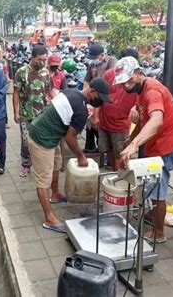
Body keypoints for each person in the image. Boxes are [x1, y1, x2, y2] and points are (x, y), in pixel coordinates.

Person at [28, 78, 110, 232]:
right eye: (100, 98)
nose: (101, 102)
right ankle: (49, 218)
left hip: (49, 135)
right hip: (41, 139)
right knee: (43, 179)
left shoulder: (72, 92)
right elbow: (70, 137)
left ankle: (56, 195)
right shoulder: (81, 109)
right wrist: (81, 156)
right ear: (92, 92)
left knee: (57, 165)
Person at [116, 56, 173, 243]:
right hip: (154, 145)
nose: (126, 86)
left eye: (129, 80)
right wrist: (131, 138)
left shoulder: (152, 91)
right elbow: (144, 120)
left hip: (166, 146)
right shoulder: (140, 90)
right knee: (150, 187)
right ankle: (152, 214)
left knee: (157, 191)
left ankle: (159, 233)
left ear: (139, 73)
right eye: (123, 83)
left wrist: (133, 145)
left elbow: (155, 121)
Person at [92, 48, 139, 170]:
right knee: (107, 150)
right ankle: (114, 172)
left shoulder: (137, 80)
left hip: (121, 124)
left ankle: (121, 176)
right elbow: (99, 96)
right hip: (105, 121)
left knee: (122, 153)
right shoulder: (109, 74)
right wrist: (96, 116)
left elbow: (141, 99)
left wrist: (135, 107)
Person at [13, 45, 54, 178]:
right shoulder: (21, 72)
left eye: (44, 60)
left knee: (40, 140)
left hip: (42, 114)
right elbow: (16, 93)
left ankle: (39, 163)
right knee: (25, 141)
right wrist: (16, 112)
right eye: (40, 59)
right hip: (25, 114)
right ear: (32, 57)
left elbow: (50, 91)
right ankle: (26, 165)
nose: (42, 62)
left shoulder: (45, 73)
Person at [83, 44, 116, 153]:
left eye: (95, 57)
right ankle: (90, 146)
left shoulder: (112, 62)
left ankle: (103, 149)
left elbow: (110, 82)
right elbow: (87, 80)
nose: (94, 60)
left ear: (102, 55)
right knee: (90, 119)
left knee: (99, 122)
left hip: (104, 96)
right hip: (93, 94)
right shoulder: (92, 64)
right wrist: (86, 94)